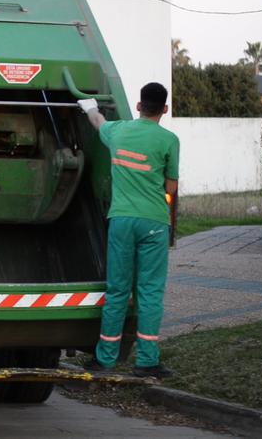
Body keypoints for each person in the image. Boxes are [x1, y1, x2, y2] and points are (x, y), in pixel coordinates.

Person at [79, 82, 179, 379]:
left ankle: (105, 359)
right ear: (165, 109)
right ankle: (147, 361)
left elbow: (98, 122)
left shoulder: (118, 131)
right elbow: (170, 187)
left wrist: (89, 107)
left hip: (121, 220)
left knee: (118, 290)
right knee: (149, 291)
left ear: (138, 105)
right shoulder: (169, 140)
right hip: (154, 222)